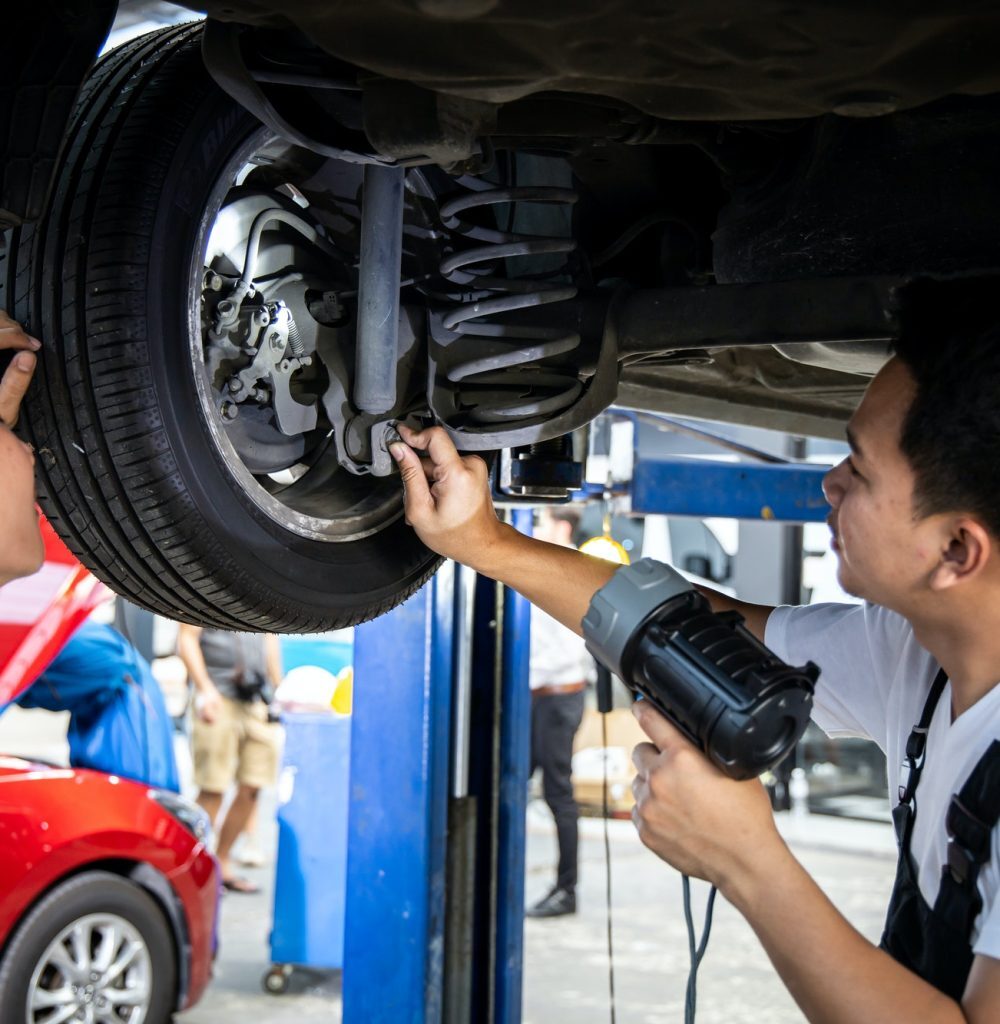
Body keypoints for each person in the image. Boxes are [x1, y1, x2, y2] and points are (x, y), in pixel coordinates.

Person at [388, 281, 1000, 1022]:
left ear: (958, 549)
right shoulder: (915, 655)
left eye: (860, 471)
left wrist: (747, 860)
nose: (828, 484)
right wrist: (484, 542)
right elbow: (688, 626)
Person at [526, 507, 596, 919]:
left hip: (557, 697)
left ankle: (566, 890)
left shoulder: (571, 572)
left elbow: (569, 649)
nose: (533, 528)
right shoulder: (544, 566)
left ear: (562, 526)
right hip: (538, 697)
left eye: (540, 521)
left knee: (558, 793)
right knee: (511, 782)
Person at [177, 624, 283, 894]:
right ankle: (191, 868)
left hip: (256, 698)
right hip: (218, 695)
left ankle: (222, 861)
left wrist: (279, 690)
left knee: (253, 786)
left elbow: (269, 638)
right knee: (212, 787)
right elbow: (187, 638)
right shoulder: (207, 586)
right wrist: (204, 688)